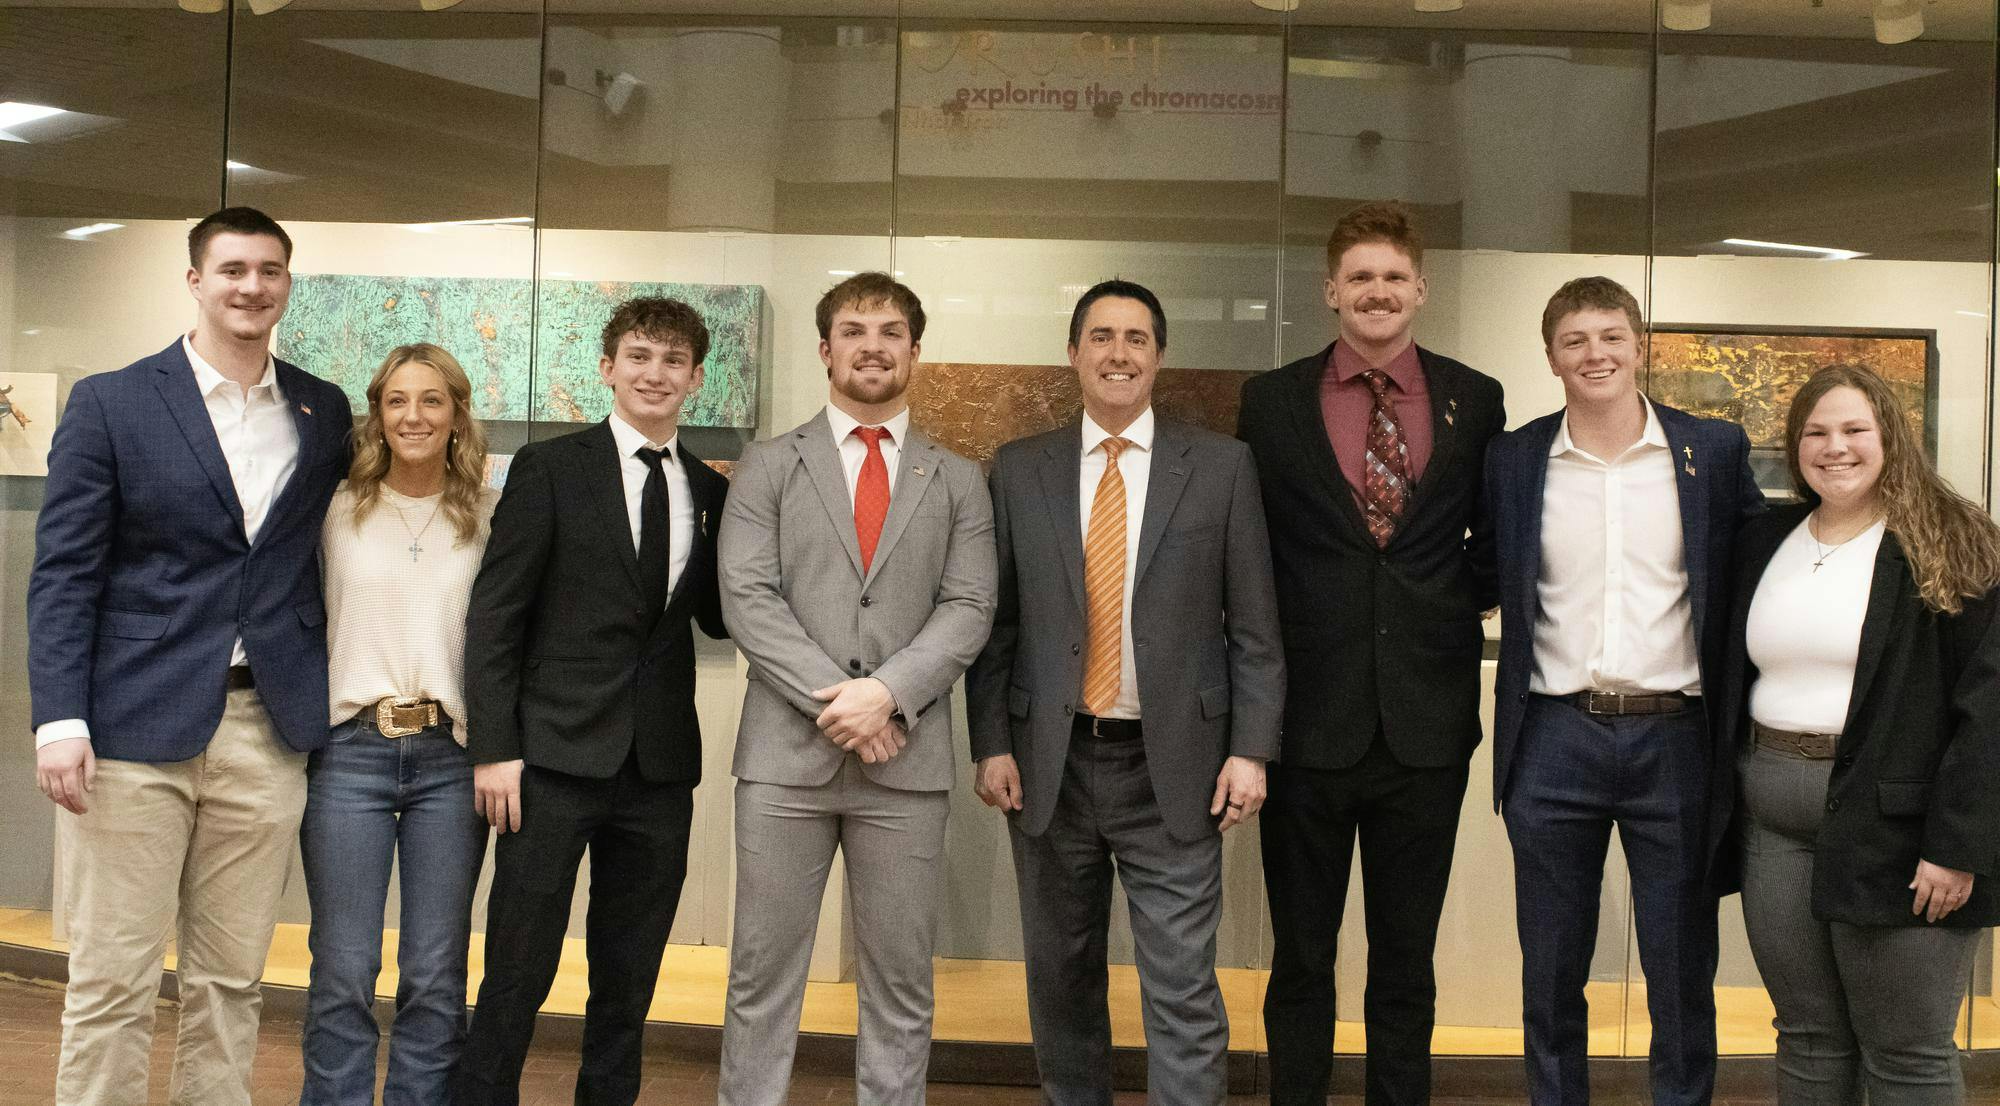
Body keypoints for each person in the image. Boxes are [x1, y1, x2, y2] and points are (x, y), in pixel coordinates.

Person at [28, 206, 352, 1106]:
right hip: (130, 729)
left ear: (288, 284)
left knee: (231, 979)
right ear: (195, 281)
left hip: (267, 730)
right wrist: (61, 718)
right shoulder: (113, 401)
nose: (252, 287)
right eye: (234, 269)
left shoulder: (320, 408)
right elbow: (63, 575)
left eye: (270, 271)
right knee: (112, 979)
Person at [966, 279, 1284, 1105]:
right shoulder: (1020, 467)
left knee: (1181, 987)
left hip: (1172, 764)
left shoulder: (1221, 467)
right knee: (1062, 980)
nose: (1118, 353)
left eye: (1136, 338)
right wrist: (992, 742)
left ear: (1159, 357)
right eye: (1101, 336)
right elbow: (997, 624)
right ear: (1073, 353)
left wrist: (1251, 749)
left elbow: (1254, 627)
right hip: (1050, 764)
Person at [1236, 200, 1505, 1106]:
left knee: (1406, 961)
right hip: (1307, 724)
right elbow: (1250, 554)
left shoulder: (1475, 397)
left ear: (1421, 289)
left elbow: (1491, 542)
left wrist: (1442, 605)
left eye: (1394, 277)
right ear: (1331, 292)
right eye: (1361, 278)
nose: (1378, 292)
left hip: (1427, 730)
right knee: (1301, 959)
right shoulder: (1271, 403)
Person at [715, 272, 997, 1105]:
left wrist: (889, 694)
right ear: (825, 348)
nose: (872, 344)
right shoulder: (769, 464)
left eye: (890, 330)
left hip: (905, 766)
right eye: (853, 328)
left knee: (901, 984)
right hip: (782, 765)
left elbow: (971, 603)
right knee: (762, 977)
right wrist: (844, 701)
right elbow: (747, 595)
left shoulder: (958, 478)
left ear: (915, 350)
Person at [1484, 276, 1762, 1105]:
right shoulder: (1515, 457)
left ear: (1640, 347)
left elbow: (1756, 567)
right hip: (1552, 736)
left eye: (1611, 336)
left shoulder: (1709, 450)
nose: (1594, 354)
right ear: (1551, 358)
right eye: (1575, 340)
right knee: (1553, 964)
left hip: (1675, 737)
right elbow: (1474, 569)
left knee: (1681, 967)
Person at [455, 297, 729, 1106]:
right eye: (639, 356)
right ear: (608, 368)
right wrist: (495, 749)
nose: (656, 373)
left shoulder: (712, 493)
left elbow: (718, 612)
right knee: (517, 966)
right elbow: (496, 617)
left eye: (673, 361)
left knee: (630, 975)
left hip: (660, 769)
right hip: (550, 761)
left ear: (696, 379)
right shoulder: (550, 468)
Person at [1718, 364, 2000, 1104]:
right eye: (1816, 432)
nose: (1833, 447)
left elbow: (1991, 710)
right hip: (1771, 822)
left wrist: (1958, 845)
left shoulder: (1953, 539)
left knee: (1904, 1051)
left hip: (1905, 835)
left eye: (1854, 430)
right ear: (1794, 445)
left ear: (1891, 439)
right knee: (1809, 1039)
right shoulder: (1765, 539)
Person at [299, 343, 497, 1104]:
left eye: (432, 401)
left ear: (456, 415)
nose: (414, 416)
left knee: (436, 973)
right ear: (378, 414)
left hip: (451, 758)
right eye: (397, 401)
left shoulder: (487, 512)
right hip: (349, 753)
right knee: (345, 969)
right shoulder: (335, 506)